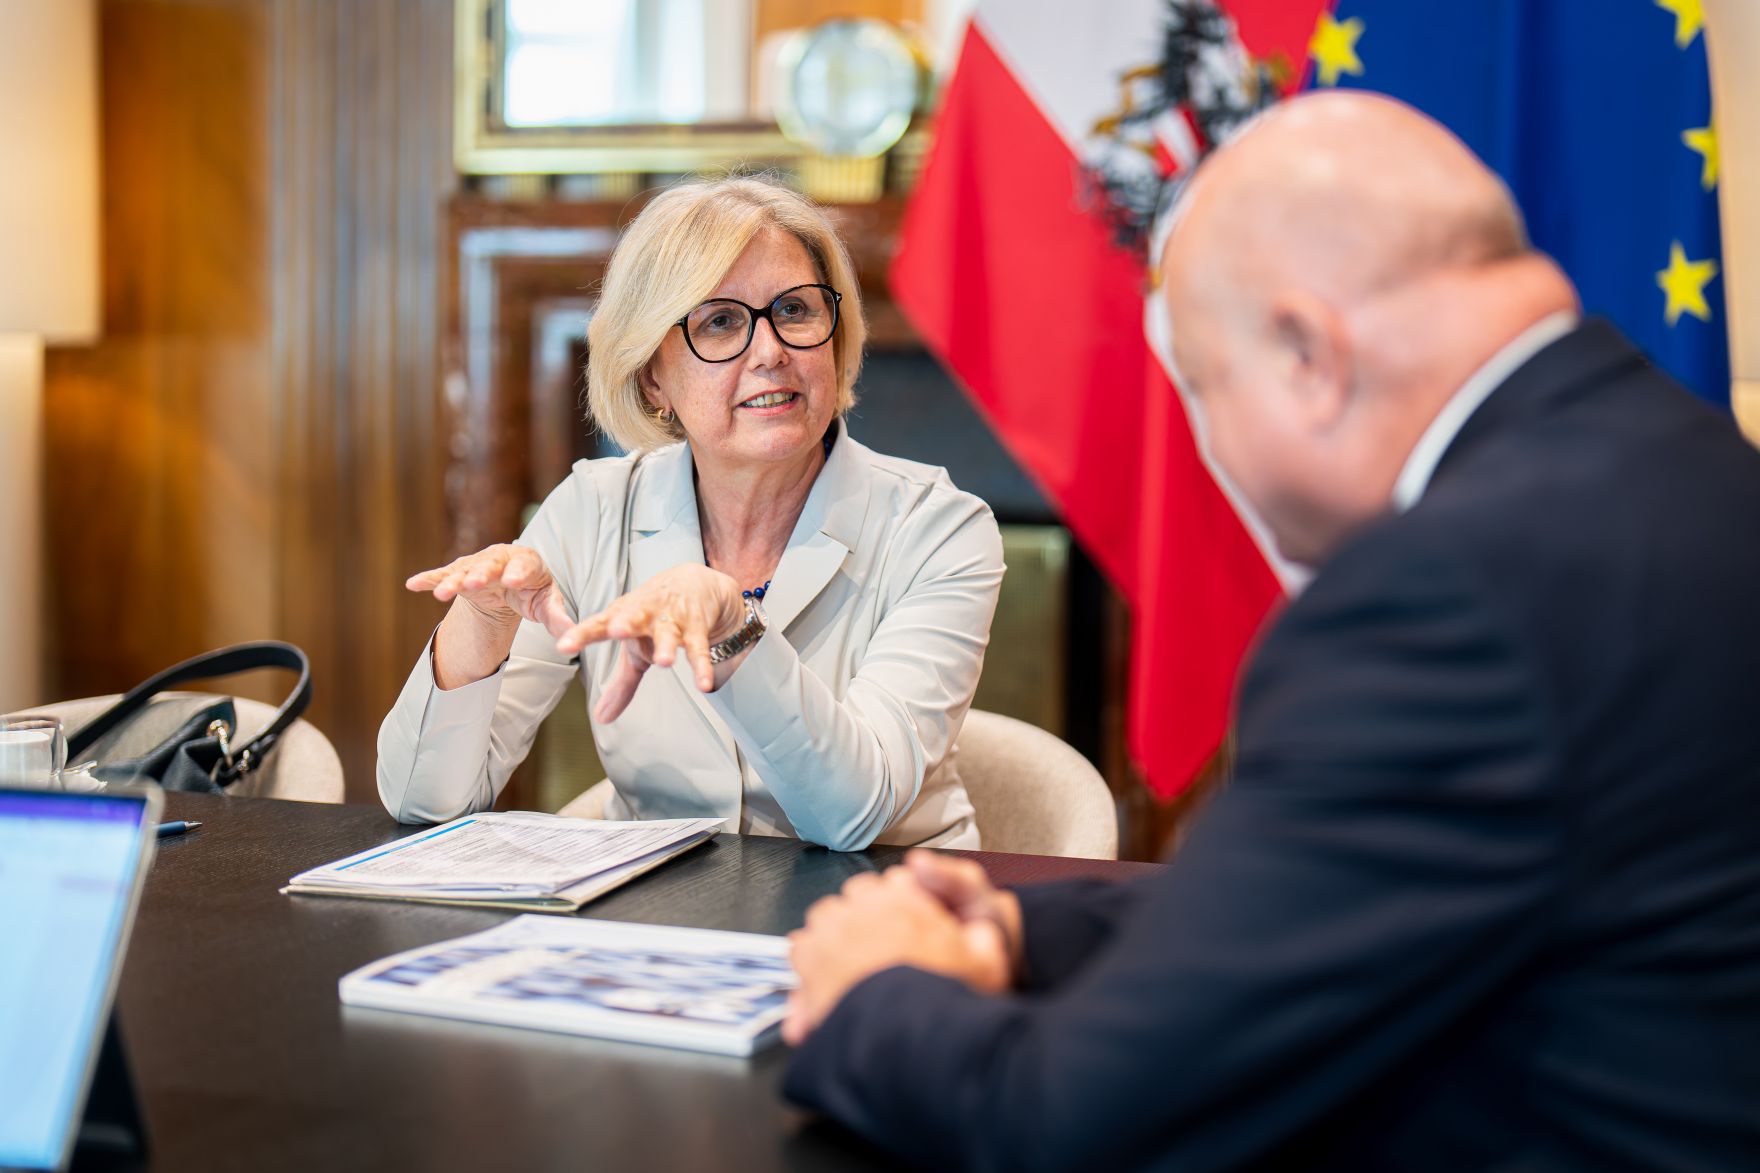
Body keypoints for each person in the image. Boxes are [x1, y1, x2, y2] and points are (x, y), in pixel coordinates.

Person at [781, 92, 1760, 1170]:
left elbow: (1068, 1127)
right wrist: (1026, 929)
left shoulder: (1449, 596)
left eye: (1200, 388)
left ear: (1305, 352)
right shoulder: (1687, 471)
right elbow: (1349, 893)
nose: (1212, 456)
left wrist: (877, 987)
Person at [378, 177, 1003, 851]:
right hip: (661, 924)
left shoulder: (939, 528)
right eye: (720, 321)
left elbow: (853, 814)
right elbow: (422, 802)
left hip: (884, 922)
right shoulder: (594, 510)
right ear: (654, 377)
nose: (770, 351)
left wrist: (734, 629)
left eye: (794, 310)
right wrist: (482, 622)